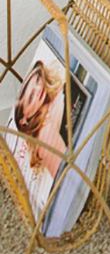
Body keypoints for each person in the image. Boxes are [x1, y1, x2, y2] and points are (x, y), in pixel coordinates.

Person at [11, 60, 67, 219]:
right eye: (30, 98)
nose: (38, 89)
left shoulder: (54, 98)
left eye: (37, 80)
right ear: (24, 120)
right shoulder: (44, 136)